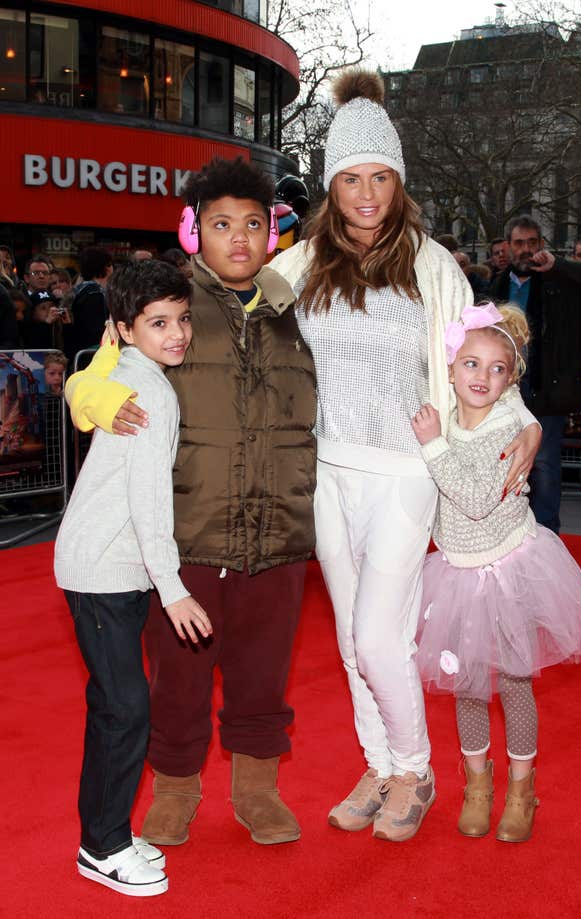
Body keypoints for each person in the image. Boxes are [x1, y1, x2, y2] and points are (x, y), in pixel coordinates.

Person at [271, 69, 541, 843]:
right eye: (349, 179)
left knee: (375, 636)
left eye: (378, 178)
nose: (364, 194)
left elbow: (482, 358)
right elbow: (231, 313)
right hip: (327, 471)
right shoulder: (302, 263)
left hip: (405, 471)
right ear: (330, 186)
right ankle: (381, 761)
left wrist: (522, 417)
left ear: (398, 182)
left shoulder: (431, 265)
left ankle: (415, 769)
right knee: (353, 638)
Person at [64, 157, 317, 848]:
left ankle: (257, 789)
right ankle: (174, 788)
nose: (238, 237)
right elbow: (89, 377)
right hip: (188, 533)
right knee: (177, 678)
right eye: (220, 223)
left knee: (263, 674)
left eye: (253, 224)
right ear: (193, 229)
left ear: (273, 233)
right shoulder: (171, 308)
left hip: (279, 530)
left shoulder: (298, 312)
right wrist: (96, 400)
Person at [411, 302, 581, 844]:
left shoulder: (504, 426)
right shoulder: (451, 410)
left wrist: (432, 444)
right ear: (449, 368)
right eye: (471, 364)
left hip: (507, 568)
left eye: (498, 369)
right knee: (469, 686)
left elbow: (476, 499)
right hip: (456, 569)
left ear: (511, 379)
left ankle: (522, 787)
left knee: (515, 682)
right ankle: (478, 782)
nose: (483, 376)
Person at [54, 259, 212, 897]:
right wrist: (173, 588)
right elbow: (151, 502)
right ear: (124, 328)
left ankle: (104, 833)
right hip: (103, 568)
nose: (176, 334)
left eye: (182, 320)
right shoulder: (148, 391)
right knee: (125, 709)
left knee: (113, 705)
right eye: (158, 324)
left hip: (103, 565)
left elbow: (85, 378)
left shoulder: (130, 373)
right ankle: (103, 846)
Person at [490, 215, 581, 533]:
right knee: (502, 465)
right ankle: (508, 534)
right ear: (507, 246)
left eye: (532, 243)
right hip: (502, 394)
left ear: (542, 246)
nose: (526, 250)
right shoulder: (495, 286)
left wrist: (559, 266)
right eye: (519, 243)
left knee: (543, 466)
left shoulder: (562, 283)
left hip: (546, 391)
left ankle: (545, 537)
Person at [69, 247, 113, 359]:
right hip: (92, 356)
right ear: (107, 268)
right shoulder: (95, 295)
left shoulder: (79, 290)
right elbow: (96, 332)